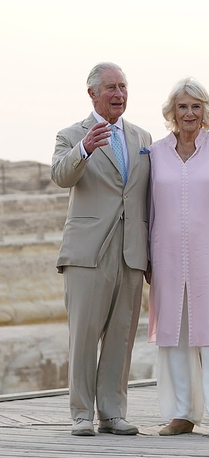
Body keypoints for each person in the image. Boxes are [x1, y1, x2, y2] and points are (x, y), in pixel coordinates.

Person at [51, 62, 152, 437]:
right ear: (92, 93)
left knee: (121, 336)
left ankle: (112, 412)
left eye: (123, 86)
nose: (119, 94)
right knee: (84, 335)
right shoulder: (70, 135)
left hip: (131, 252)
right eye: (110, 87)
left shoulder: (143, 138)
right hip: (87, 253)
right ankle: (81, 414)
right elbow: (61, 176)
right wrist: (84, 149)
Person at [147, 77, 209, 439]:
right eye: (183, 106)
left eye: (196, 106)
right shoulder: (155, 151)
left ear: (205, 111)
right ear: (172, 112)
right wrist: (147, 256)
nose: (189, 113)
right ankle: (181, 414)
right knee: (173, 334)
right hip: (166, 253)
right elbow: (150, 207)